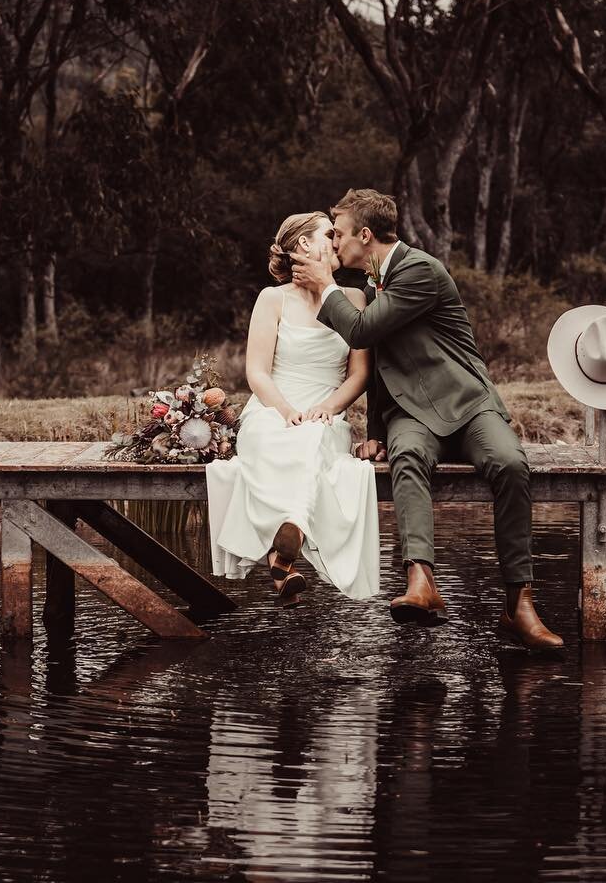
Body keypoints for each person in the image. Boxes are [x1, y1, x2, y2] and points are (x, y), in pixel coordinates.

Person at [289, 188, 563, 651]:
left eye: (337, 233)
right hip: (410, 413)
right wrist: (376, 432)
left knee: (511, 465)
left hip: (468, 402)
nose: (332, 243)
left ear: (366, 235)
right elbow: (377, 360)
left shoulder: (418, 270)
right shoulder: (375, 281)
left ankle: (520, 603)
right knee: (408, 456)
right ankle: (421, 581)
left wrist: (324, 286)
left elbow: (360, 331)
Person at [205, 211, 381, 605]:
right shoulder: (272, 299)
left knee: (315, 439)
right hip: (274, 406)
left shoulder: (354, 299)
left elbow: (358, 375)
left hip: (326, 408)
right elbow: (257, 372)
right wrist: (284, 410)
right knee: (274, 438)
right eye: (328, 235)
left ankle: (283, 549)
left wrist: (327, 407)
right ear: (303, 245)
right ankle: (286, 548)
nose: (337, 242)